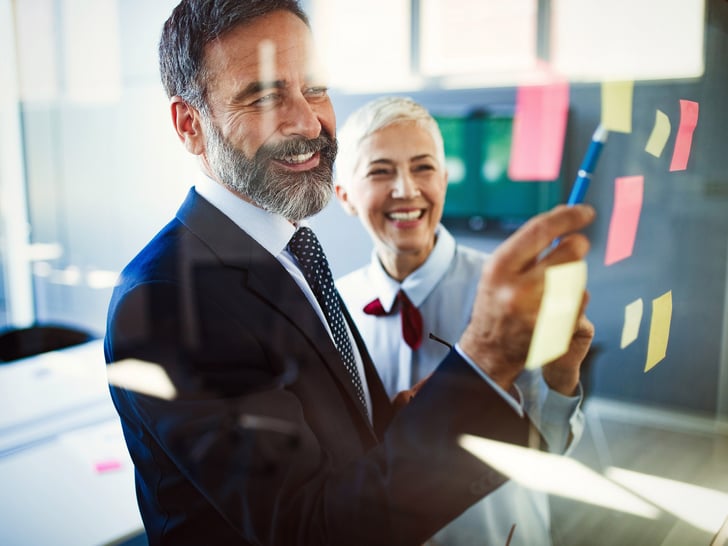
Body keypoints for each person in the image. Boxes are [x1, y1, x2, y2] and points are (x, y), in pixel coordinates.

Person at [103, 1, 596, 544]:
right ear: (189, 125)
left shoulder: (293, 250)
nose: (309, 121)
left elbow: (339, 449)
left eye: (315, 88)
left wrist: (401, 422)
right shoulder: (164, 300)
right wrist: (483, 359)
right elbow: (311, 530)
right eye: (265, 96)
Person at [334, 96, 586, 545]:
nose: (406, 189)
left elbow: (550, 448)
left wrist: (562, 379)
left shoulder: (509, 293)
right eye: (380, 171)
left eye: (424, 167)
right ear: (346, 197)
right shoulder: (332, 305)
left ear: (446, 181)